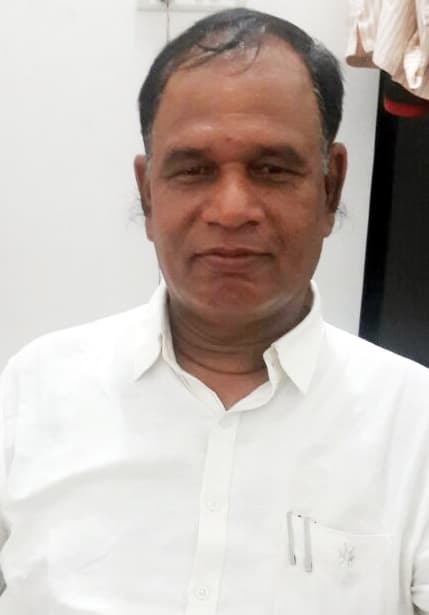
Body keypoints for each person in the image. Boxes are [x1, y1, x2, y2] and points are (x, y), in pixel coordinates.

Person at [0, 7, 428, 614]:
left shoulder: (414, 426)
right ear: (148, 194)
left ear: (330, 187)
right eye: (194, 170)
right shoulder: (34, 390)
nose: (231, 210)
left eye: (271, 169)